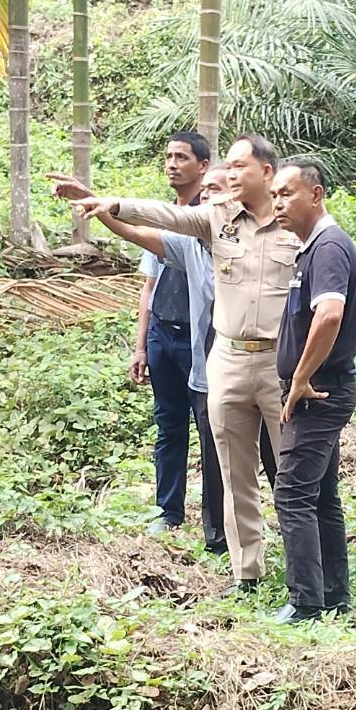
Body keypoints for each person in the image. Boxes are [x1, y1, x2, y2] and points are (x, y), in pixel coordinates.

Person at [66, 135, 297, 595]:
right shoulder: (215, 222)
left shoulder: (294, 224)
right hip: (224, 357)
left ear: (267, 172)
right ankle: (246, 572)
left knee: (289, 469)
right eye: (227, 168)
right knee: (232, 472)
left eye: (238, 167)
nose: (229, 177)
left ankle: (305, 566)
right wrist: (111, 204)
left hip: (278, 363)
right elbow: (161, 219)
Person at [268, 159, 356, 622]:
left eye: (287, 193)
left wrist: (301, 379)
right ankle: (333, 593)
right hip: (319, 387)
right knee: (321, 493)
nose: (278, 203)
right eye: (274, 195)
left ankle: (305, 601)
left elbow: (329, 315)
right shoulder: (311, 247)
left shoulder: (328, 247)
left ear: (316, 194)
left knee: (292, 493)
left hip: (320, 391)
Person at [127, 133, 209, 534]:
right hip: (163, 332)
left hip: (201, 338)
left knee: (210, 427)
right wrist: (141, 345)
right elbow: (149, 284)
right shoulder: (162, 216)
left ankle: (217, 517)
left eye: (182, 157)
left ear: (203, 166)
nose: (172, 164)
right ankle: (168, 511)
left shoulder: (210, 218)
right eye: (168, 157)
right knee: (169, 424)